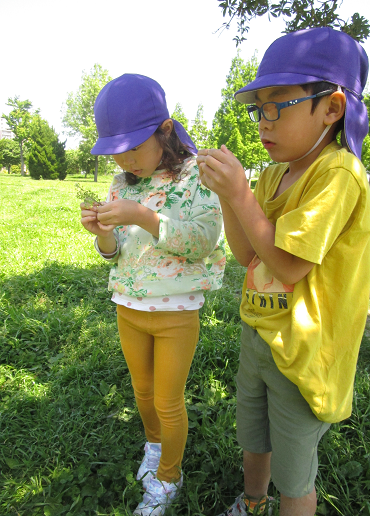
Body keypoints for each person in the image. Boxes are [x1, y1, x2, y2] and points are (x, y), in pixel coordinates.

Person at [197, 27, 370, 516]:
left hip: (306, 352)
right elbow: (247, 255)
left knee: (295, 474)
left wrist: (238, 196)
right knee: (254, 437)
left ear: (332, 108)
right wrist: (230, 198)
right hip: (260, 333)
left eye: (278, 105)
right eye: (258, 109)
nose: (262, 123)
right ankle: (253, 502)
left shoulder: (337, 175)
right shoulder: (274, 173)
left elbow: (290, 264)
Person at [80, 74, 225, 516]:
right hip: (129, 306)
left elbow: (201, 241)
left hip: (176, 312)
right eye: (115, 151)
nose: (126, 159)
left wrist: (143, 215)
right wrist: (103, 235)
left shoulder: (196, 175)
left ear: (165, 129)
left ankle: (169, 476)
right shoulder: (122, 184)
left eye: (134, 147)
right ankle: (154, 445)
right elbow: (114, 253)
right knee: (142, 392)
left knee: (167, 400)